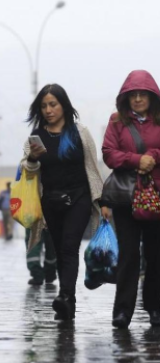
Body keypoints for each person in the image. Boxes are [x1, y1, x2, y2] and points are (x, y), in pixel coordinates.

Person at [102, 70, 160, 328]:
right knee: (128, 253)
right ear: (125, 98)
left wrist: (154, 158)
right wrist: (137, 160)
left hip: (159, 194)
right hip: (127, 195)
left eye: (142, 95)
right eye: (133, 95)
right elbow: (108, 153)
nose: (137, 99)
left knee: (155, 252)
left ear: (152, 97)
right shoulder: (116, 121)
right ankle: (122, 310)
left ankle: (154, 306)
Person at [21, 83, 105, 320]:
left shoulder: (80, 132)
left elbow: (92, 167)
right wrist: (32, 159)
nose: (48, 110)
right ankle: (68, 300)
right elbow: (28, 171)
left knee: (69, 246)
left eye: (53, 104)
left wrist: (101, 200)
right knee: (60, 249)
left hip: (79, 197)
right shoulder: (36, 137)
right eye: (44, 106)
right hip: (51, 201)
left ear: (64, 105)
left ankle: (66, 296)